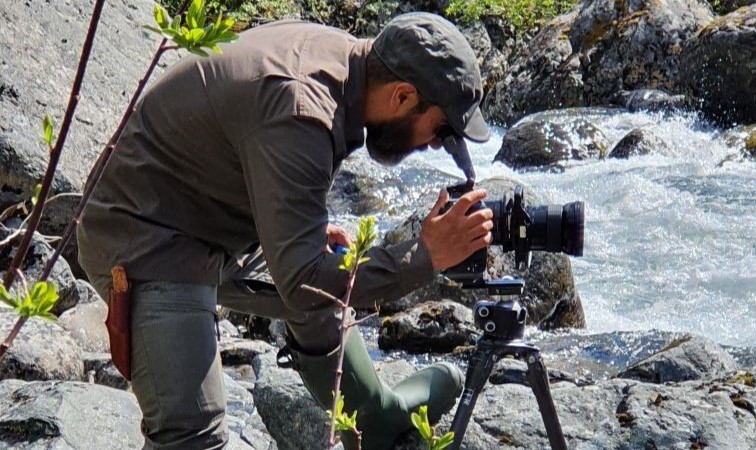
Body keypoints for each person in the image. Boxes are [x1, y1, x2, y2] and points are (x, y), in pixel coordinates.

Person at [77, 11, 494, 450]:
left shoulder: (344, 59)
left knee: (325, 281)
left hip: (208, 221)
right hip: (142, 237)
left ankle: (371, 419)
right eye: (441, 129)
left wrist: (291, 218)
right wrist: (425, 255)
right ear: (403, 95)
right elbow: (302, 285)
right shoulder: (303, 107)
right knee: (191, 434)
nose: (435, 145)